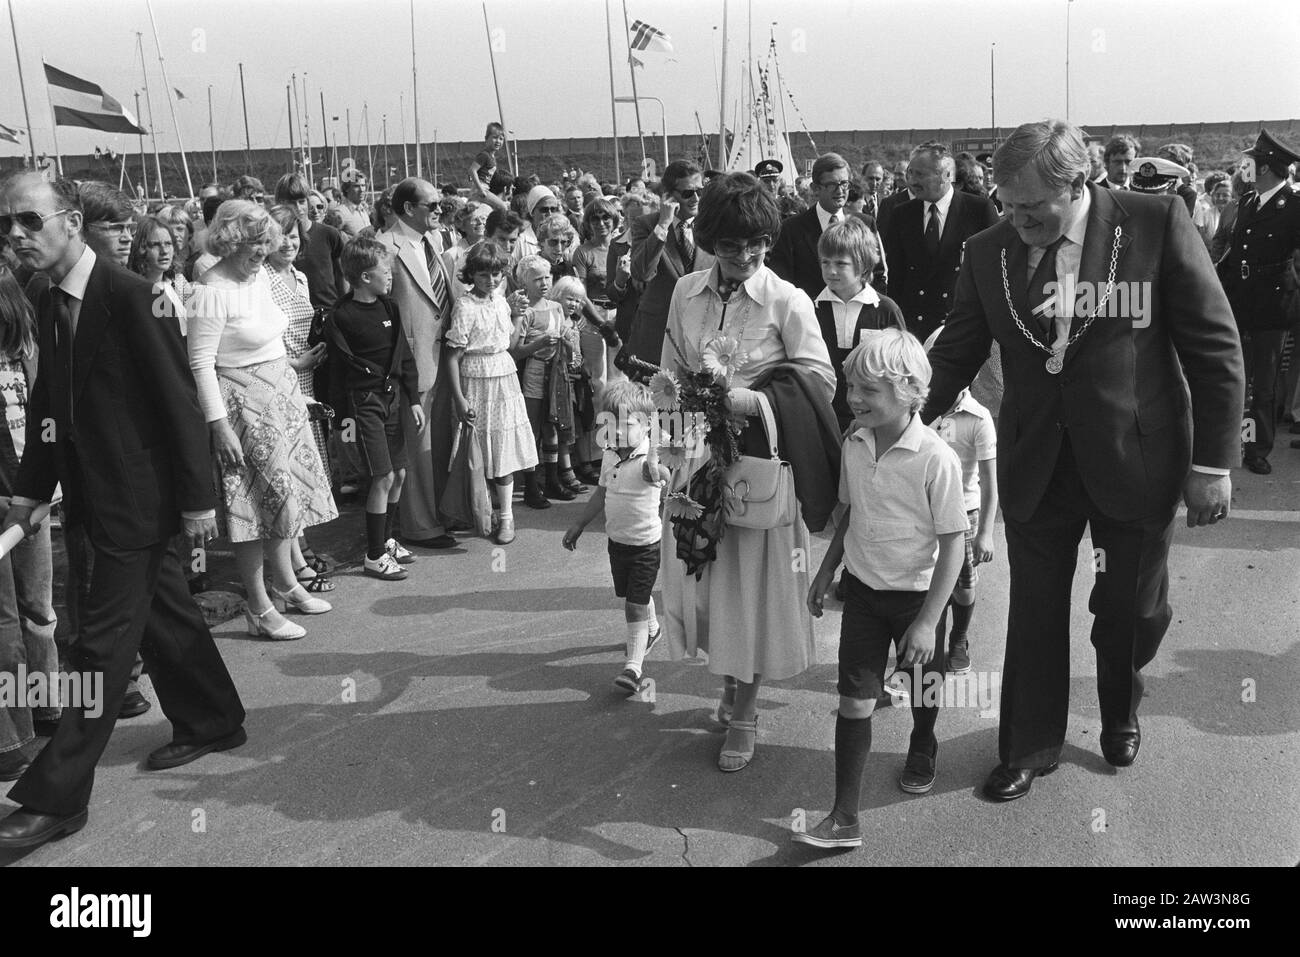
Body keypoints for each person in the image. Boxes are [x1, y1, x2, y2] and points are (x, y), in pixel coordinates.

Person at [921, 120, 1245, 802]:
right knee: (1035, 608)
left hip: (1138, 454)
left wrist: (1215, 462)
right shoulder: (988, 249)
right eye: (1007, 205)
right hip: (1039, 458)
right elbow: (954, 352)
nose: (1017, 219)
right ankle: (1029, 744)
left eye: (1032, 207)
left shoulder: (1154, 224)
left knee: (1130, 607)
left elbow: (1213, 345)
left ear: (1078, 183)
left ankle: (1121, 703)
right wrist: (898, 427)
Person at [0, 174, 246, 850]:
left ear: (70, 220)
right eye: (7, 225)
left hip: (136, 505)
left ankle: (56, 797)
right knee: (163, 614)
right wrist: (30, 490)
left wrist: (198, 500)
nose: (15, 234)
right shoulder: (51, 299)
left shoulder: (137, 297)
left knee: (99, 647)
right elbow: (53, 403)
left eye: (27, 220)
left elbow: (178, 400)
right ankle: (214, 716)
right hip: (91, 497)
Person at [657, 172, 838, 773]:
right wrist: (666, 435)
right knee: (706, 584)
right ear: (709, 239)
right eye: (731, 245)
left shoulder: (788, 299)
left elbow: (820, 382)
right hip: (697, 462)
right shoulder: (685, 291)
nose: (744, 255)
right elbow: (669, 370)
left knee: (754, 592)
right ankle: (730, 684)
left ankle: (745, 711)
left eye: (756, 241)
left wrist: (751, 400)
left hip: (757, 473)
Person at [799, 330, 967, 849]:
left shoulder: (936, 457)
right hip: (864, 595)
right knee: (854, 702)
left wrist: (925, 623)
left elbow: (954, 544)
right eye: (852, 386)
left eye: (868, 390)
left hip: (918, 597)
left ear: (910, 390)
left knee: (923, 686)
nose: (853, 398)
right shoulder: (854, 442)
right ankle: (844, 816)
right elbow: (849, 514)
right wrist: (826, 571)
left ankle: (923, 742)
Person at [187, 200, 338, 641]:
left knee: (284, 495)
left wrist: (293, 391)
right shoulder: (211, 289)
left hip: (281, 394)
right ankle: (259, 606)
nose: (261, 252)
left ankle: (287, 583)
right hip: (242, 406)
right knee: (253, 507)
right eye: (252, 244)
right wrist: (219, 425)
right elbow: (201, 364)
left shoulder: (258, 278)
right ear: (229, 241)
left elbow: (269, 341)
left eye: (264, 243)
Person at [325, 238, 423, 581]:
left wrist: (413, 399)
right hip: (364, 403)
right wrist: (341, 419)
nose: (391, 277)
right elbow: (336, 373)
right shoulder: (341, 316)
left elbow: (404, 356)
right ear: (365, 277)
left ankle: (387, 539)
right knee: (381, 476)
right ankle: (374, 554)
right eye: (385, 272)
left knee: (399, 474)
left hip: (394, 399)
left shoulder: (390, 307)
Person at [563, 379, 670, 692]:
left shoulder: (651, 456)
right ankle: (652, 629)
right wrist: (579, 524)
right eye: (613, 424)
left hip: (646, 546)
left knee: (633, 604)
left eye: (629, 424)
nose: (619, 431)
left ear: (647, 425)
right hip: (617, 543)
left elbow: (660, 476)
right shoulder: (610, 455)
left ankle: (633, 669)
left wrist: (657, 470)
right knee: (632, 595)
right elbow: (600, 494)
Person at [375, 178, 458, 549]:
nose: (440, 210)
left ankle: (440, 512)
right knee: (415, 447)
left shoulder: (434, 241)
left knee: (437, 444)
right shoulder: (383, 246)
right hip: (412, 362)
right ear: (409, 209)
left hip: (442, 356)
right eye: (432, 205)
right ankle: (419, 525)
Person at [0, 262, 57, 783]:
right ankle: (16, 734)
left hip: (30, 499)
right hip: (4, 503)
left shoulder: (27, 355)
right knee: (7, 624)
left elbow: (47, 427)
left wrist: (45, 493)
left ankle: (46, 709)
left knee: (38, 611)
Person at [1216, 129, 1300, 476]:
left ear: (1266, 168)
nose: (1246, 169)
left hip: (1271, 306)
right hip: (1239, 301)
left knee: (1263, 384)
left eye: (1251, 163)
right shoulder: (1247, 203)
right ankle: (1231, 442)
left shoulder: (1293, 206)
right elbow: (1234, 253)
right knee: (1235, 376)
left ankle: (1257, 448)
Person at [444, 241, 539, 545]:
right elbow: (452, 356)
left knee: (503, 448)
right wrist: (459, 398)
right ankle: (481, 511)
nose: (492, 280)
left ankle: (507, 516)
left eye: (496, 273)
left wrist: (517, 315)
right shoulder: (465, 305)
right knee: (478, 449)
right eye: (484, 274)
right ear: (472, 275)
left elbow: (509, 343)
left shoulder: (501, 301)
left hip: (504, 377)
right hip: (476, 379)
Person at [924, 326, 999, 675]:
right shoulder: (917, 411)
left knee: (963, 588)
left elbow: (989, 481)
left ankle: (960, 637)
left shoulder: (978, 418)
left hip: (964, 513)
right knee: (922, 582)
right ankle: (922, 649)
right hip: (922, 511)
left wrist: (986, 532)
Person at [884, 142, 1000, 344]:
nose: (912, 180)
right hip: (915, 331)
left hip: (963, 328)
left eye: (920, 174)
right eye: (910, 173)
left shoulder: (979, 210)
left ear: (947, 176)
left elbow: (993, 274)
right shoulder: (901, 214)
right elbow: (896, 277)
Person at [814, 217, 906, 430]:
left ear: (863, 266)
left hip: (873, 419)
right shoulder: (811, 309)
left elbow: (901, 368)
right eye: (825, 262)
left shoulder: (885, 310)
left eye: (841, 263)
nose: (831, 271)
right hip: (822, 417)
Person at [628, 160, 715, 364]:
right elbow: (641, 272)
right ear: (668, 195)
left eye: (700, 191)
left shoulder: (711, 225)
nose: (695, 198)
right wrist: (663, 224)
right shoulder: (646, 225)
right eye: (687, 193)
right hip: (658, 332)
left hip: (704, 332)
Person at [510, 254, 572, 508]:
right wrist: (538, 343)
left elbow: (566, 334)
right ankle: (530, 484)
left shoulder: (556, 307)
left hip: (556, 372)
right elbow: (515, 349)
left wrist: (568, 343)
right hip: (534, 371)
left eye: (547, 277)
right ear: (524, 282)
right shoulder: (526, 311)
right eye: (537, 279)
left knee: (552, 426)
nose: (544, 283)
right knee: (532, 428)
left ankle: (553, 479)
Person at [769, 153, 856, 303]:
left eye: (844, 184)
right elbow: (781, 281)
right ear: (815, 188)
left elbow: (876, 274)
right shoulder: (791, 229)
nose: (840, 190)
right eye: (831, 185)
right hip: (808, 317)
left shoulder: (864, 225)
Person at [78, 182, 135, 268]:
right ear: (82, 230)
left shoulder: (132, 280)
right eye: (116, 228)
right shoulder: (60, 279)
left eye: (130, 228)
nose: (129, 238)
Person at [442, 200, 491, 302]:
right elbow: (446, 292)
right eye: (474, 219)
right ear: (462, 226)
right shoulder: (451, 255)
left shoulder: (491, 250)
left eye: (483, 218)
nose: (480, 222)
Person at [469, 121, 508, 213]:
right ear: (486, 139)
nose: (498, 141)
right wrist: (480, 188)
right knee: (503, 207)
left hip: (485, 188)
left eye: (501, 139)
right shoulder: (484, 155)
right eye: (495, 138)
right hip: (481, 188)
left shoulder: (492, 157)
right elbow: (472, 170)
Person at [337, 169, 371, 238]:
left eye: (363, 185)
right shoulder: (340, 212)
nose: (362, 190)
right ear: (346, 188)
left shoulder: (364, 210)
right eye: (356, 186)